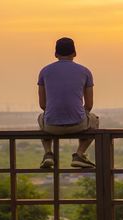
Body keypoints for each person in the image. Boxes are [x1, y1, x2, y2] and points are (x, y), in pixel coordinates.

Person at [37, 37, 99, 169]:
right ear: (75, 53)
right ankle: (79, 154)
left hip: (51, 127)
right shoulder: (85, 72)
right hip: (78, 125)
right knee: (95, 119)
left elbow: (43, 105)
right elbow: (89, 105)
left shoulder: (44, 72)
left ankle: (48, 153)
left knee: (41, 117)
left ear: (55, 54)